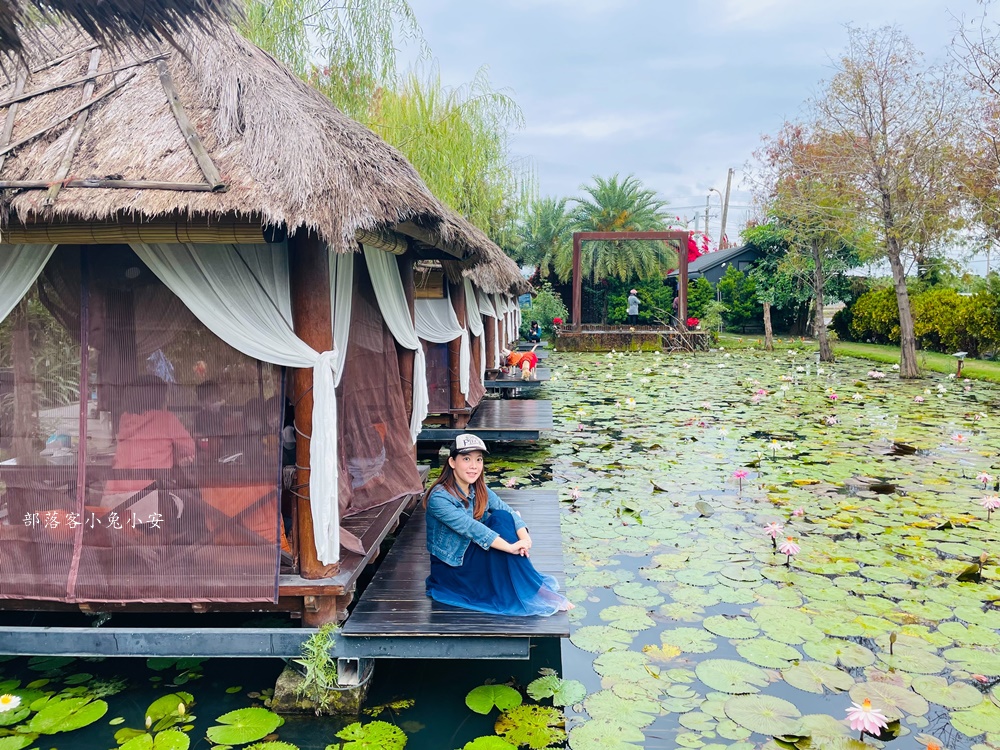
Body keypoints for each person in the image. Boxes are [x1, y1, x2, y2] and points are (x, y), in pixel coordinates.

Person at [424, 434, 572, 616]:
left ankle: (531, 587)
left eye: (478, 459)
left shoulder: (477, 488)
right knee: (502, 537)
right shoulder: (439, 499)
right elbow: (472, 528)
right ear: (453, 462)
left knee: (501, 517)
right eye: (466, 459)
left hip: (471, 552)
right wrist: (510, 547)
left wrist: (525, 540)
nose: (474, 466)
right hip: (453, 568)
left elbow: (507, 511)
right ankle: (534, 590)